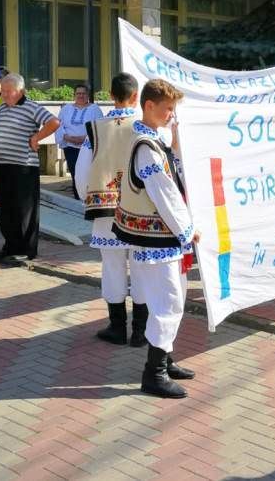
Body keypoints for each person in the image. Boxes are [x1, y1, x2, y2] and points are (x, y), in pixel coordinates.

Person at [112, 79, 199, 399]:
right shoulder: (146, 148)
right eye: (167, 109)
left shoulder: (148, 139)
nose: (171, 115)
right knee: (169, 301)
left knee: (167, 298)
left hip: (155, 239)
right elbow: (165, 194)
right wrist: (188, 230)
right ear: (149, 106)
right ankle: (155, 373)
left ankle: (166, 358)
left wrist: (174, 136)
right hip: (156, 240)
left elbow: (172, 175)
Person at [74, 73, 147, 346]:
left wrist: (89, 198)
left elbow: (82, 172)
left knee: (113, 268)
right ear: (136, 96)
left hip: (107, 211)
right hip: (143, 211)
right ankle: (140, 332)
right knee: (142, 268)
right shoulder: (145, 127)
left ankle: (117, 328)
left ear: (111, 96)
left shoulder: (96, 129)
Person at [0, 73, 60, 262]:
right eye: (2, 91)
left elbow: (54, 122)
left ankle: (25, 250)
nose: (4, 95)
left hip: (23, 166)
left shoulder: (31, 107)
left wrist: (37, 138)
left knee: (24, 210)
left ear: (20, 91)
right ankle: (10, 245)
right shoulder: (2, 108)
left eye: (8, 91)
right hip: (3, 165)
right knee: (6, 209)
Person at [56, 84, 102, 197]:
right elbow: (58, 125)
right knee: (75, 173)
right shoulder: (66, 109)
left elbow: (99, 126)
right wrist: (66, 137)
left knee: (86, 173)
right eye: (78, 93)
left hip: (87, 147)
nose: (80, 96)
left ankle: (87, 198)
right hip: (70, 147)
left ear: (87, 95)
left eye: (83, 93)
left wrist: (84, 138)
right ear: (74, 95)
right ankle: (77, 197)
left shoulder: (95, 109)